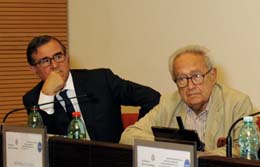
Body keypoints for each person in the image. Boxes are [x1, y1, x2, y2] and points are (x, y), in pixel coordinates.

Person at [22, 35, 160, 143]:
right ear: (34, 69)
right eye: (45, 61)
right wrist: (47, 94)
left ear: (67, 57)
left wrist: (134, 134)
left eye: (58, 56)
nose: (55, 65)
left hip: (112, 162)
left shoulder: (100, 80)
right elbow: (41, 144)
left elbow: (152, 98)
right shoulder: (34, 99)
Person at [120, 45, 253, 156]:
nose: (190, 86)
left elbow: (247, 150)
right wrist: (177, 149)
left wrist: (197, 156)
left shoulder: (237, 103)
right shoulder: (168, 103)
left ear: (213, 75)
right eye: (182, 79)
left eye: (196, 76)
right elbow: (128, 136)